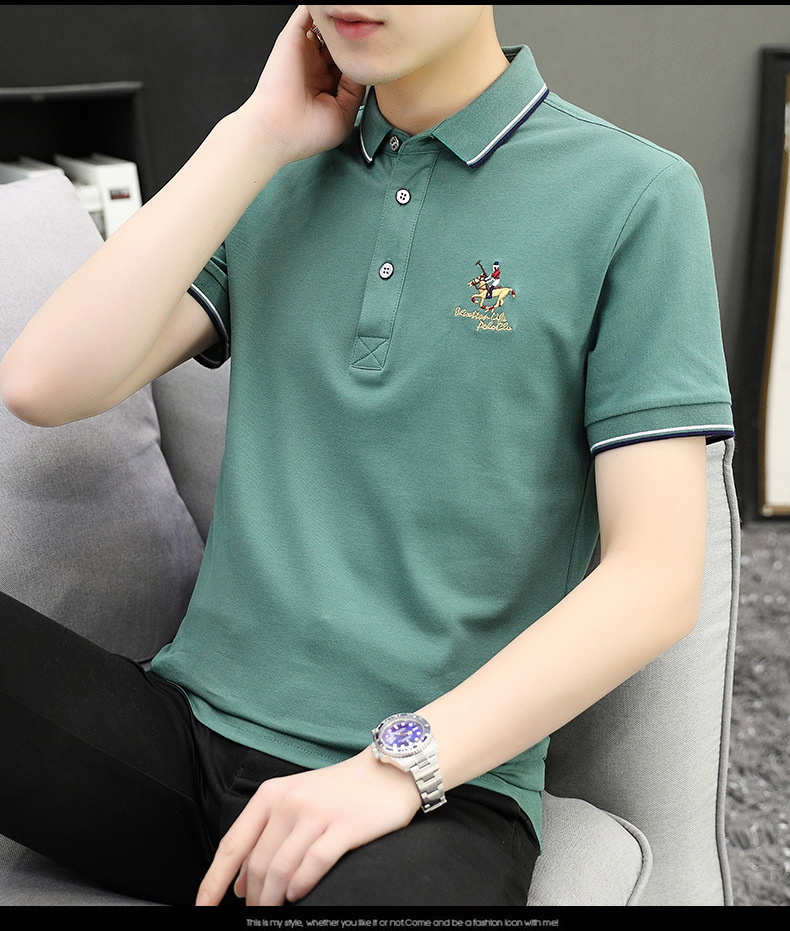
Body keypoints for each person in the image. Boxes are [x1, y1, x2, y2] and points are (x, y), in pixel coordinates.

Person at [0, 4, 733, 908]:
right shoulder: (273, 170)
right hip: (179, 742)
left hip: (436, 802)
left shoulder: (635, 196)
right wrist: (256, 134)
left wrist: (396, 767)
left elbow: (656, 577)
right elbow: (43, 382)